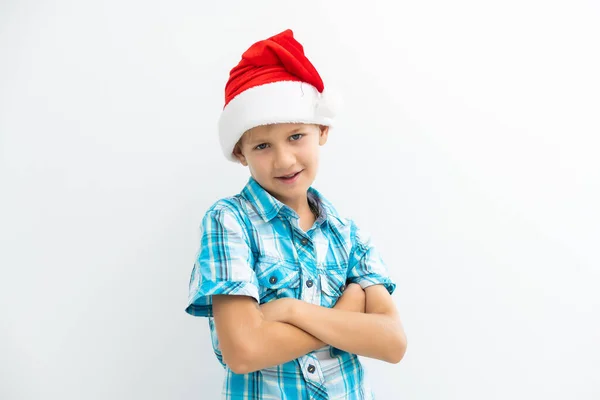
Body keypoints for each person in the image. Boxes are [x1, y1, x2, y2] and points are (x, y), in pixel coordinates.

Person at [185, 29, 407, 399]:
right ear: (241, 153)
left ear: (322, 130)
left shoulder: (348, 235)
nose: (284, 160)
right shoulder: (229, 222)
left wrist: (288, 310)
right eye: (262, 145)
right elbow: (243, 352)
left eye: (296, 136)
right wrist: (345, 310)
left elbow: (392, 343)